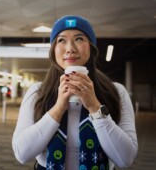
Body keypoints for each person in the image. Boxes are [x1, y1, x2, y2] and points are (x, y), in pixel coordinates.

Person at [12, 15, 138, 170]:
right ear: (53, 51)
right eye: (61, 40)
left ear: (91, 47)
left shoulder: (116, 91)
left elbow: (125, 159)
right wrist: (58, 108)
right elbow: (22, 154)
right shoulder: (38, 92)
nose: (70, 48)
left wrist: (94, 107)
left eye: (79, 39)